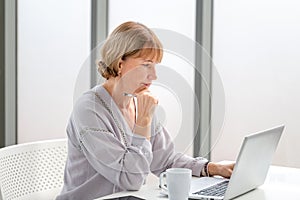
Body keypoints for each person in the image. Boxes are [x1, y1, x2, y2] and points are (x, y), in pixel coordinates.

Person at [56, 21, 234, 200]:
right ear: (120, 64)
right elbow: (130, 180)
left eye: (155, 65)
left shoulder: (138, 103)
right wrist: (143, 122)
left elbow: (164, 161)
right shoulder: (89, 109)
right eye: (147, 64)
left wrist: (212, 168)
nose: (154, 75)